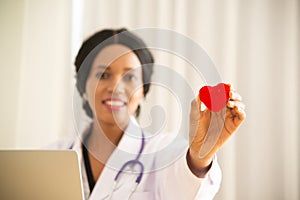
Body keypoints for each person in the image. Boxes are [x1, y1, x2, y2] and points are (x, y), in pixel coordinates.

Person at [52, 28, 246, 200]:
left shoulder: (163, 153)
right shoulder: (50, 157)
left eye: (130, 77)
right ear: (83, 85)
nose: (116, 88)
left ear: (143, 90)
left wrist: (199, 157)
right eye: (103, 75)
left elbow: (185, 187)